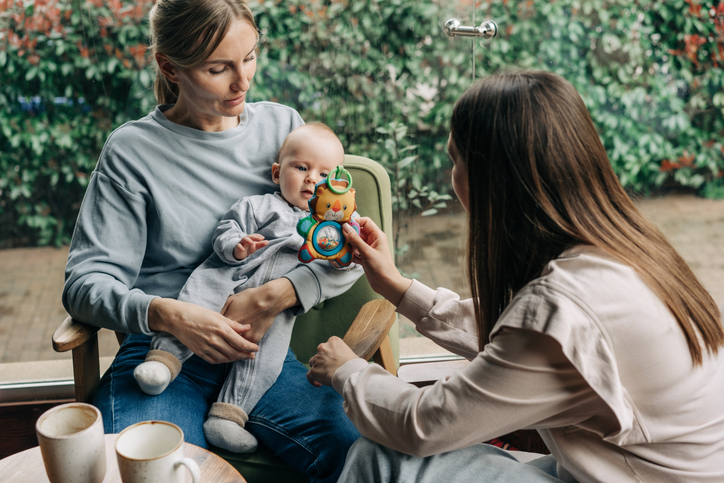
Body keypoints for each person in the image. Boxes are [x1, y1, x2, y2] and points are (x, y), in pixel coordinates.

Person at [307, 70, 724, 482]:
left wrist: (348, 371)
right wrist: (397, 289)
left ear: (492, 179)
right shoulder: (624, 249)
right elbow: (516, 340)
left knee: (380, 455)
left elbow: (425, 425)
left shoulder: (562, 306)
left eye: (455, 160)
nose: (452, 176)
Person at [62, 1, 360, 481]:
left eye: (250, 58)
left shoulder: (285, 130)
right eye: (218, 68)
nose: (243, 82)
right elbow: (83, 285)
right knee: (158, 473)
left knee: (361, 453)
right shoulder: (132, 152)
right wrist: (170, 314)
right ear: (169, 68)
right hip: (161, 353)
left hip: (261, 355)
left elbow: (341, 245)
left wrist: (273, 296)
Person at [133, 122, 358, 454]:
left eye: (325, 175)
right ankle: (163, 360)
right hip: (227, 279)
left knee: (263, 358)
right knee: (196, 301)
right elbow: (227, 228)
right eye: (302, 168)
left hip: (276, 313)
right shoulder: (259, 205)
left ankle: (228, 414)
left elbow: (345, 262)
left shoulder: (331, 227)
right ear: (277, 172)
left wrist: (340, 256)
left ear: (338, 186)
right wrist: (237, 244)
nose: (312, 179)